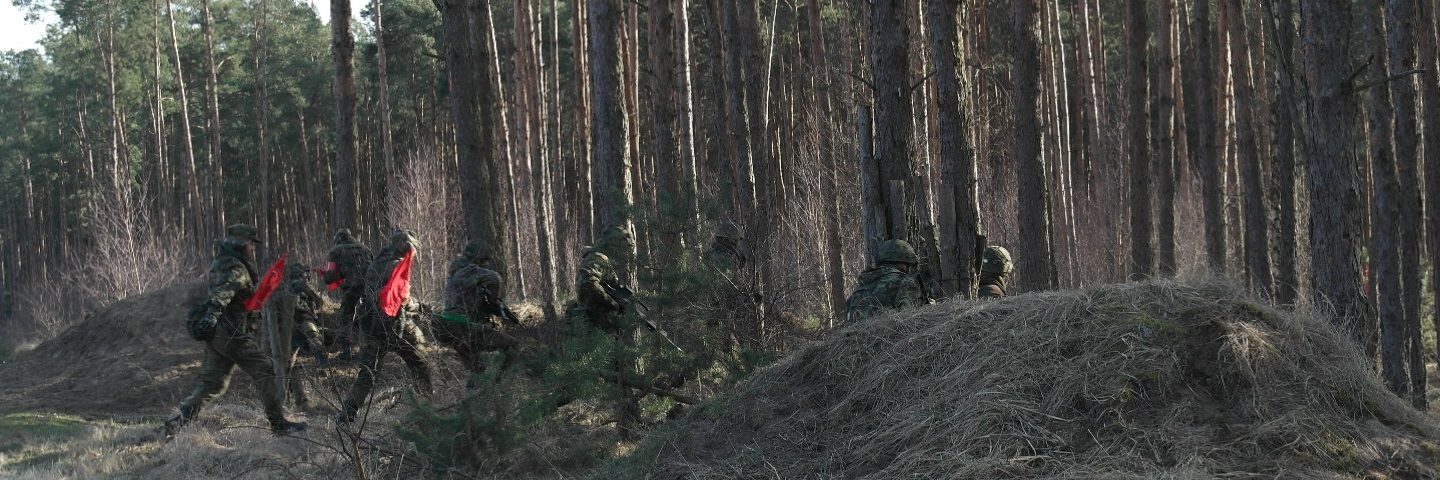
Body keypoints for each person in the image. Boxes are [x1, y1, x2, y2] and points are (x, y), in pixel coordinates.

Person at [165, 224, 307, 436]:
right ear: (241, 243)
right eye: (250, 243)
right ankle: (278, 424)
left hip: (219, 333)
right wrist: (213, 314)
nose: (253, 248)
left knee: (213, 384)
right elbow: (224, 292)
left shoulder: (222, 262)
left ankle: (178, 422)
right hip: (230, 332)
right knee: (264, 368)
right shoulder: (236, 267)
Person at [337, 229, 434, 424]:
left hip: (373, 326)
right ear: (407, 246)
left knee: (366, 375)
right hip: (397, 325)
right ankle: (428, 407)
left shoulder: (376, 264)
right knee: (420, 363)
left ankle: (346, 415)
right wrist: (422, 307)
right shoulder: (397, 266)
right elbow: (402, 299)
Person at [435, 240, 521, 374]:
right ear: (478, 258)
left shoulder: (456, 272)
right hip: (464, 325)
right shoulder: (471, 271)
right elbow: (495, 278)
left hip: (449, 326)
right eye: (484, 260)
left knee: (477, 370)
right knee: (513, 345)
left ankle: (480, 390)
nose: (485, 263)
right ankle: (501, 381)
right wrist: (492, 301)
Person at [844, 239, 926, 322]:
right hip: (888, 333)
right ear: (902, 263)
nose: (909, 269)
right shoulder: (903, 282)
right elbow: (909, 320)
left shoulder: (861, 285)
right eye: (908, 265)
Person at [283, 261, 328, 409]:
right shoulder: (301, 284)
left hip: (288, 323)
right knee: (315, 339)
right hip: (303, 318)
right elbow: (318, 299)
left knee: (289, 359)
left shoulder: (284, 286)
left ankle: (287, 396)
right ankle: (323, 368)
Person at [323, 228, 371, 361]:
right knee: (367, 318)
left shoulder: (335, 251)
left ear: (338, 239)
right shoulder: (365, 248)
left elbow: (330, 275)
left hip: (352, 288)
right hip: (369, 288)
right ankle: (366, 351)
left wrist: (328, 277)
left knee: (346, 318)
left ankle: (347, 352)